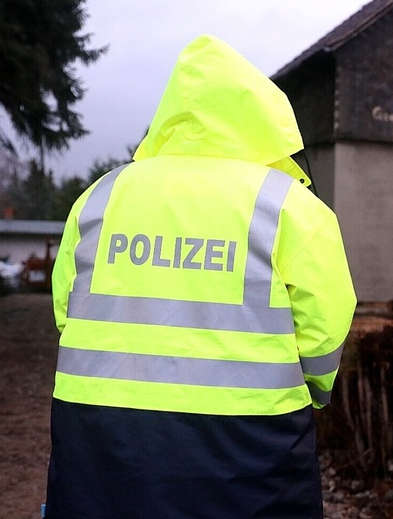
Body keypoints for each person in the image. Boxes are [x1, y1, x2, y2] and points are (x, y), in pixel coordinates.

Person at [44, 34, 357, 518]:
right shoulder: (289, 207)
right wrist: (311, 392)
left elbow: (68, 311)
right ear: (263, 118)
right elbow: (324, 329)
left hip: (98, 441)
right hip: (247, 447)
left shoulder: (100, 198)